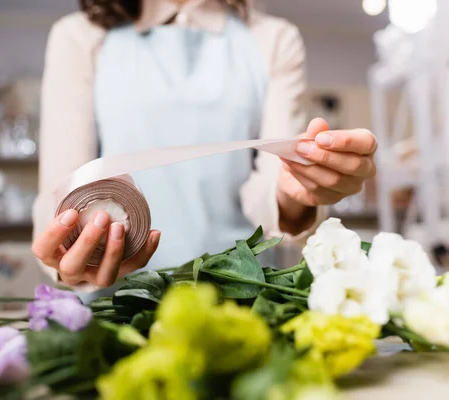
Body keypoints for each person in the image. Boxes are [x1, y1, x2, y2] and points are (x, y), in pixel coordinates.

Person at [31, 0, 377, 296]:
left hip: (241, 301)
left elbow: (271, 188)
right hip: (117, 308)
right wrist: (70, 258)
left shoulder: (273, 39)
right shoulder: (78, 37)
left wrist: (300, 190)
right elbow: (63, 192)